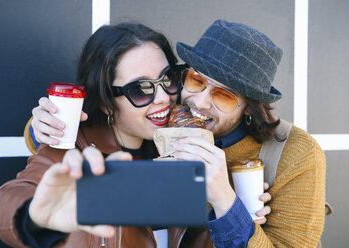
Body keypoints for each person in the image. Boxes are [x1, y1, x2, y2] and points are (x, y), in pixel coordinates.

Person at [26, 20, 326, 247]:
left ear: (250, 107)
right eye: (196, 80)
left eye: (224, 96)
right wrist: (44, 128)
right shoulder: (169, 117)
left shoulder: (295, 154)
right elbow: (111, 123)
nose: (200, 102)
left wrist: (226, 201)